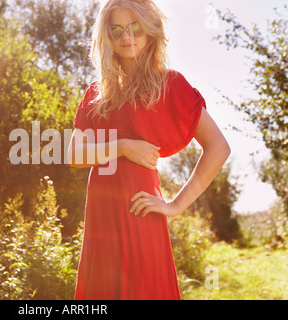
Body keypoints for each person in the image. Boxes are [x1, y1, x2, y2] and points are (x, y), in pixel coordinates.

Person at [67, 0, 231, 300]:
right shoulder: (96, 93)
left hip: (140, 212)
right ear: (107, 37)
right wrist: (124, 147)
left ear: (150, 31)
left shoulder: (170, 84)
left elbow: (218, 147)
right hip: (101, 220)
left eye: (135, 28)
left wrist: (176, 205)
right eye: (117, 30)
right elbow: (75, 156)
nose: (126, 37)